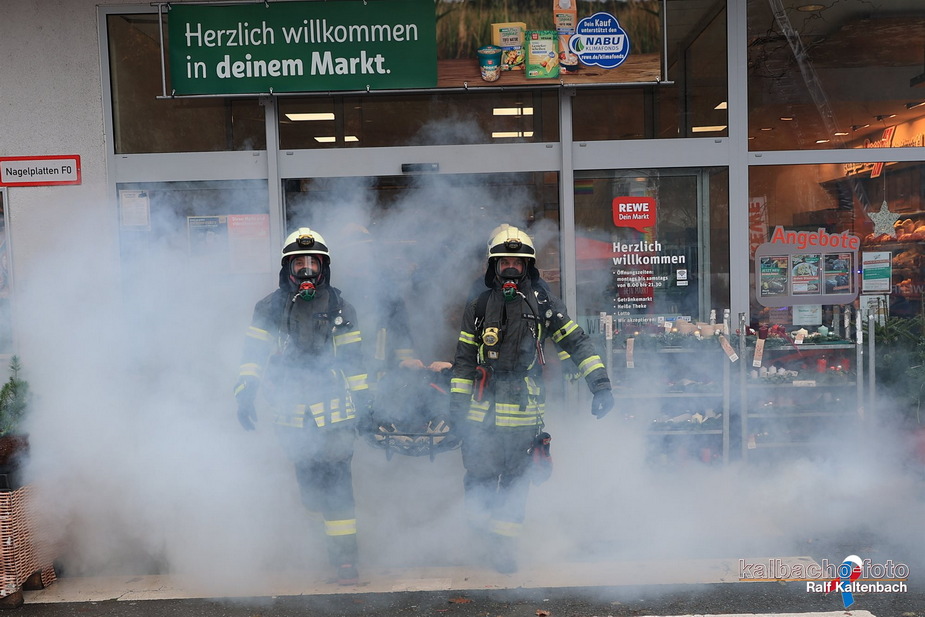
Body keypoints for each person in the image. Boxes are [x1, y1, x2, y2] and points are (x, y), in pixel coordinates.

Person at [449, 225, 614, 573]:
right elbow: (464, 360)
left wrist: (600, 385)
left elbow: (576, 342)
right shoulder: (478, 305)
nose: (510, 268)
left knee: (514, 485)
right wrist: (456, 410)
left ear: (528, 266)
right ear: (494, 266)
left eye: (517, 263)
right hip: (482, 413)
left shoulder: (543, 302)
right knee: (478, 479)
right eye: (504, 262)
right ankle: (481, 538)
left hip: (523, 414)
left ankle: (503, 549)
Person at [234, 227, 370, 585]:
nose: (306, 270)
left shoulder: (341, 307)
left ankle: (345, 561)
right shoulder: (269, 307)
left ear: (324, 267)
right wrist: (246, 391)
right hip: (293, 414)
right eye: (299, 263)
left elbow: (355, 361)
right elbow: (254, 353)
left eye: (313, 263)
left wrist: (366, 404)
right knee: (310, 489)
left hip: (335, 413)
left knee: (338, 486)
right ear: (288, 268)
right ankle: (319, 549)